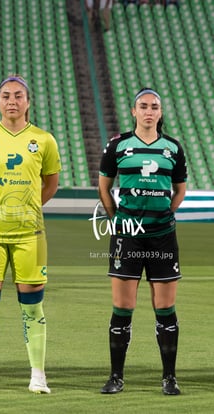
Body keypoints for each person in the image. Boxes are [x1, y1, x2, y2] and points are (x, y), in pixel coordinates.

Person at [0, 75, 61, 393]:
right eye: (6, 96)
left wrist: (28, 206)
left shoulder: (44, 140)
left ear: (28, 102)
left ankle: (38, 376)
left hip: (30, 233)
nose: (12, 101)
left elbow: (51, 184)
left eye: (18, 96)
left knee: (33, 306)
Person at [98, 88, 187, 396]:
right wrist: (119, 219)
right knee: (123, 306)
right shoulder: (118, 145)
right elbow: (104, 187)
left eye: (154, 107)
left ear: (160, 113)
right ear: (134, 111)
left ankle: (169, 378)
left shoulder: (173, 148)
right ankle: (116, 377)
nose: (149, 111)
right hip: (127, 237)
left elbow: (179, 190)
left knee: (165, 307)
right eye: (143, 106)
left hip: (162, 237)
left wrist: (162, 215)